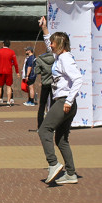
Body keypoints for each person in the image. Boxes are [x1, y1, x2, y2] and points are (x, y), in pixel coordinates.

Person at [37, 16, 82, 186]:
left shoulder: (65, 59)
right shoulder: (60, 57)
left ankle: (53, 163)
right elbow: (49, 45)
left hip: (64, 101)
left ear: (61, 44)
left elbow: (78, 79)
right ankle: (70, 173)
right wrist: (45, 29)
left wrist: (69, 101)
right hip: (65, 101)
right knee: (61, 139)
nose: (52, 45)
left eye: (55, 43)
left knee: (44, 130)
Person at [0, 41, 20, 106]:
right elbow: (16, 63)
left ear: (3, 44)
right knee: (9, 86)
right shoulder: (12, 52)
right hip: (9, 71)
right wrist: (17, 72)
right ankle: (8, 101)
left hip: (0, 71)